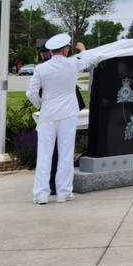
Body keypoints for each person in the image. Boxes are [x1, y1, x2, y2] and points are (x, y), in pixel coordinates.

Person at [26, 33, 90, 204]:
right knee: (65, 154)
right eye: (68, 48)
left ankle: (40, 194)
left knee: (44, 155)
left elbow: (31, 93)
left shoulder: (41, 68)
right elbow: (87, 60)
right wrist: (83, 50)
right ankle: (63, 192)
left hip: (48, 115)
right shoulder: (72, 65)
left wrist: (41, 105)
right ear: (63, 50)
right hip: (68, 114)